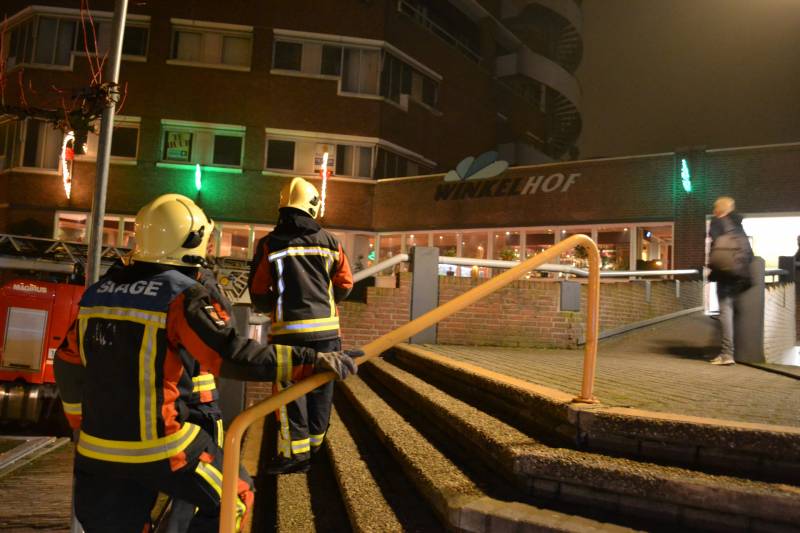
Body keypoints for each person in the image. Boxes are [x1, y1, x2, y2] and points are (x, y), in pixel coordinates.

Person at [55, 193, 359, 533]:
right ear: (192, 239)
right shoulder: (181, 295)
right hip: (163, 447)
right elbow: (232, 355)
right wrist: (312, 360)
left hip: (96, 452)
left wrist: (80, 422)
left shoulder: (97, 294)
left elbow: (67, 364)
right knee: (236, 496)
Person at [248, 177, 353, 475]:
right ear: (314, 206)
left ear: (282, 206)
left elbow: (257, 290)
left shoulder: (269, 244)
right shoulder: (331, 242)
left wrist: (271, 305)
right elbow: (345, 283)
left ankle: (295, 456)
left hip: (288, 333)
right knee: (321, 388)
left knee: (289, 392)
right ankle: (316, 449)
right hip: (327, 333)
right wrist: (329, 300)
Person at [707, 196, 753, 366]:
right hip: (741, 273)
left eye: (715, 207)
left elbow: (716, 248)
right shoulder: (738, 225)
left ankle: (727, 354)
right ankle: (731, 352)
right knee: (732, 312)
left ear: (718, 209)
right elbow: (750, 252)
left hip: (725, 273)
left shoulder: (718, 223)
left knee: (725, 312)